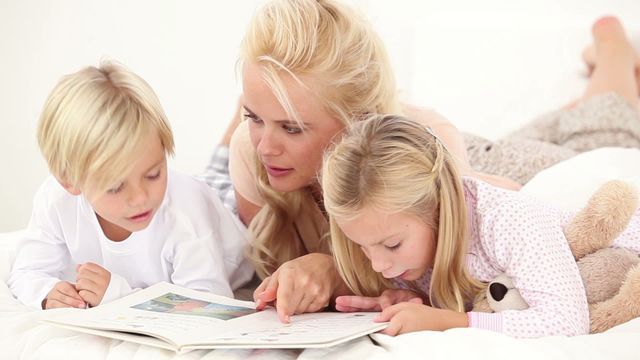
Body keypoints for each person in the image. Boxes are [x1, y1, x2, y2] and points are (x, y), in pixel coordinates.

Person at [226, 0, 518, 323]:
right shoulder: (248, 151)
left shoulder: (430, 147)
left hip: (485, 156)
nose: (265, 147)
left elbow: (450, 277)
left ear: (355, 121)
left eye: (292, 127)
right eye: (254, 117)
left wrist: (335, 269)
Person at [321, 114, 640, 338]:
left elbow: (567, 321)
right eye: (364, 247)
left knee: (603, 126)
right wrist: (411, 302)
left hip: (620, 238)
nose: (379, 265)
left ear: (439, 207)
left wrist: (451, 322)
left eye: (391, 245)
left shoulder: (509, 220)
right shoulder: (405, 236)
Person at [8, 62, 253, 310]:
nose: (140, 198)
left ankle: (245, 117)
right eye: (116, 187)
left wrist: (120, 295)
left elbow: (208, 303)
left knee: (242, 164)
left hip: (232, 213)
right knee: (215, 170)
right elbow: (26, 272)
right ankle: (237, 123)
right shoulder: (56, 200)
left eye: (154, 174)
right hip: (201, 189)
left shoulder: (187, 210)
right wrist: (47, 293)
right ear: (69, 180)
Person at [464, 16, 640, 185]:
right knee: (610, 37)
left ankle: (616, 60)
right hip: (595, 165)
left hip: (488, 162)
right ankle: (616, 60)